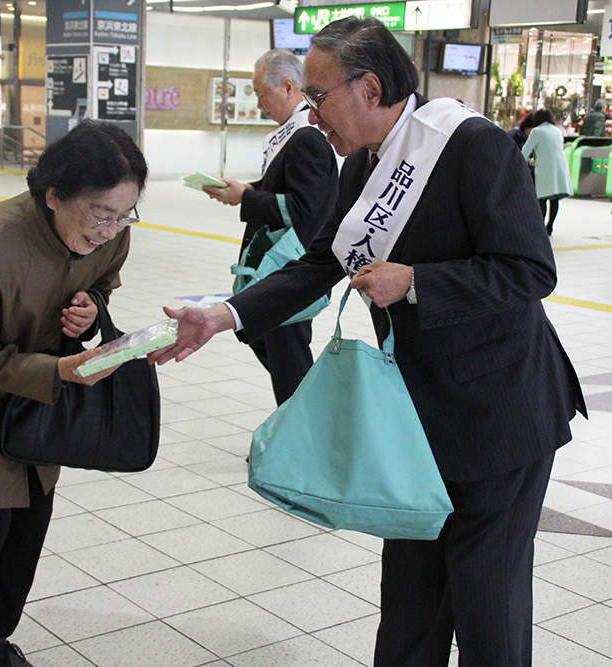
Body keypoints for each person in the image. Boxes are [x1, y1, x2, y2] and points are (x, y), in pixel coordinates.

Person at [150, 16, 585, 667]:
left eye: (318, 95)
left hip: (500, 413)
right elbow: (317, 263)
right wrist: (224, 316)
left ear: (371, 88)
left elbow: (530, 270)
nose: (310, 110)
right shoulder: (361, 166)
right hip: (412, 419)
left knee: (486, 600)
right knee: (409, 597)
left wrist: (415, 282)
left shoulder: (471, 146)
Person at [0, 121, 146, 667]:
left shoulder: (110, 235)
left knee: (32, 518)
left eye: (125, 215)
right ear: (53, 195)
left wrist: (92, 306)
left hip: (44, 389)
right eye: (100, 213)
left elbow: (104, 279)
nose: (110, 230)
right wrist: (60, 371)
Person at [200, 49, 338, 405]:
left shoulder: (308, 135)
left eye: (262, 92)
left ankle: (300, 442)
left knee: (287, 356)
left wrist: (245, 199)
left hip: (290, 266)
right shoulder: (291, 135)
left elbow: (305, 208)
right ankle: (300, 433)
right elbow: (283, 190)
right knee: (278, 351)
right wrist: (243, 192)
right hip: (280, 265)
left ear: (289, 87)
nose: (259, 103)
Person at [521, 107, 573, 235]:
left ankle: (540, 226)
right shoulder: (558, 131)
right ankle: (550, 226)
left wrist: (526, 161)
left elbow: (524, 151)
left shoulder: (537, 131)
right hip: (559, 166)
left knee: (541, 199)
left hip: (544, 168)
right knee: (554, 199)